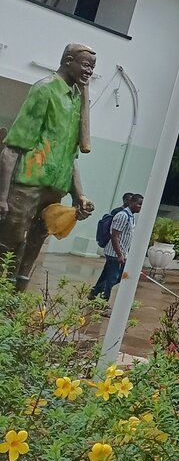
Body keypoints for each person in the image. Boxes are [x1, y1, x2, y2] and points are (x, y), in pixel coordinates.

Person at [0, 43, 96, 290]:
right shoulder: (45, 90)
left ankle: (13, 307)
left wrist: (79, 195)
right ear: (68, 60)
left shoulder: (76, 99)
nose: (89, 72)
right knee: (9, 245)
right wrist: (2, 197)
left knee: (32, 250)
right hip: (27, 185)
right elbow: (13, 148)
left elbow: (70, 157)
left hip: (55, 190)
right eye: (86, 65)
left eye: (92, 68)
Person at [89, 193, 143, 306]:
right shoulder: (122, 215)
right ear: (132, 202)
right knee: (113, 279)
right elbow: (115, 236)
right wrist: (119, 254)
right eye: (139, 204)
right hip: (114, 254)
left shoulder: (131, 216)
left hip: (122, 253)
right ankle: (102, 303)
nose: (140, 207)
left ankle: (94, 292)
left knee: (110, 276)